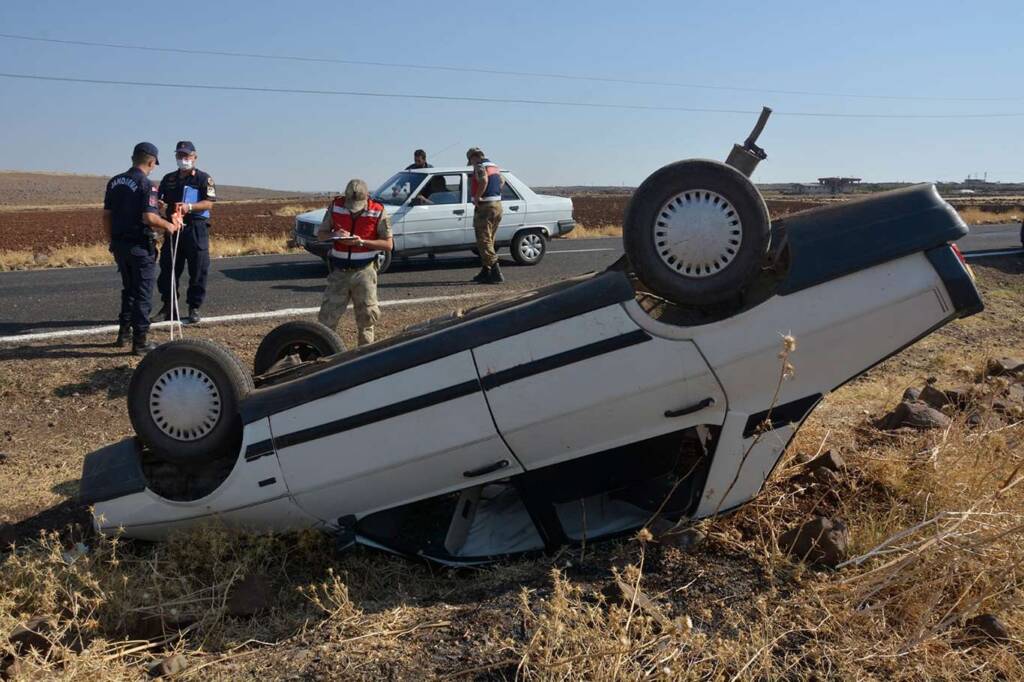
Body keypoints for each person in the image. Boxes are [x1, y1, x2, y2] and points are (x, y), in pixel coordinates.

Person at [104, 142, 181, 355]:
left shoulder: (114, 182)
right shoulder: (148, 185)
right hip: (139, 245)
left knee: (128, 289)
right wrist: (168, 225)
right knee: (143, 292)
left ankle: (123, 334)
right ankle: (140, 341)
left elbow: (107, 215)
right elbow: (148, 217)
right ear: (151, 161)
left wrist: (112, 240)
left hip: (120, 245)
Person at [317, 179, 394, 346]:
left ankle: (365, 359)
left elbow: (388, 244)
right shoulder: (335, 206)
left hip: (364, 273)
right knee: (326, 320)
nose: (352, 210)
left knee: (367, 319)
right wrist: (335, 234)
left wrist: (361, 242)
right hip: (339, 273)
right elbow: (321, 234)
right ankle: (321, 355)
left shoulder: (378, 211)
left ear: (367, 197)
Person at [153, 141, 216, 325]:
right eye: (180, 156)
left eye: (187, 156)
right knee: (168, 269)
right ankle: (168, 307)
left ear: (194, 157)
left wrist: (189, 207)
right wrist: (160, 205)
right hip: (173, 228)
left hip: (196, 228)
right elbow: (160, 199)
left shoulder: (203, 178)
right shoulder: (169, 179)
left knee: (198, 269)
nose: (183, 159)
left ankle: (194, 307)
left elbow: (209, 203)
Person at [467, 147, 504, 284]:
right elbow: (501, 181)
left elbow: (483, 181)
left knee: (483, 241)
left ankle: (495, 270)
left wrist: (477, 197)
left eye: (470, 160)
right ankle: (486, 271)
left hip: (485, 207)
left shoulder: (479, 166)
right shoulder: (494, 166)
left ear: (473, 157)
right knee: (490, 240)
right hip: (497, 205)